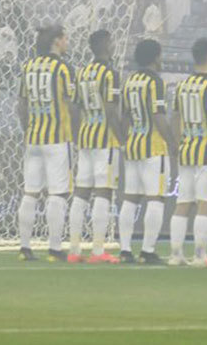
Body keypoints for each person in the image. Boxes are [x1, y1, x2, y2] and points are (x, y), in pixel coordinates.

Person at [16, 26, 76, 262]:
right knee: (57, 193)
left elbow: (21, 104)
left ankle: (24, 247)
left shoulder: (28, 67)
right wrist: (77, 131)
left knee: (30, 193)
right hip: (58, 138)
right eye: (65, 37)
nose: (67, 41)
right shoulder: (63, 68)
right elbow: (71, 103)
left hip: (33, 138)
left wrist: (27, 130)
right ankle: (54, 248)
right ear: (56, 41)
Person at [67, 30, 122, 264]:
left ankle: (74, 249)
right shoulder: (111, 73)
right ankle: (98, 251)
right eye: (111, 43)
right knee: (103, 191)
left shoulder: (83, 72)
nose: (113, 46)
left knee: (81, 192)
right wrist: (123, 138)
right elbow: (111, 110)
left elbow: (74, 107)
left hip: (86, 137)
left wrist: (79, 134)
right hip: (105, 140)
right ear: (105, 45)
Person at [117, 39, 174, 265]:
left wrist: (125, 140)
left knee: (130, 198)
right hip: (153, 146)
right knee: (156, 198)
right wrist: (171, 142)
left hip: (133, 144)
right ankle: (148, 250)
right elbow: (159, 115)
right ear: (155, 57)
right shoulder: (155, 82)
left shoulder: (130, 81)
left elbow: (124, 116)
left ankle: (124, 250)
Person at [168, 38, 207, 267]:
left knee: (183, 202)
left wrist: (177, 143)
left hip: (186, 149)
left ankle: (175, 254)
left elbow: (175, 118)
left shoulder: (182, 85)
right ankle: (200, 254)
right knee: (205, 202)